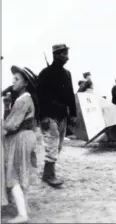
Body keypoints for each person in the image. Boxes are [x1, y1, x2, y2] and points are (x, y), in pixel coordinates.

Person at [2, 65, 39, 223]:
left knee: (14, 175)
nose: (13, 81)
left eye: (17, 79)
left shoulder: (23, 100)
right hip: (27, 137)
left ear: (25, 83)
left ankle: (22, 214)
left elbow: (10, 125)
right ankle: (25, 207)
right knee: (23, 171)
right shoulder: (26, 99)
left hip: (20, 138)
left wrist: (6, 112)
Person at [37, 44, 76, 187]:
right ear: (57, 55)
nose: (67, 57)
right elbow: (39, 97)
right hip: (49, 116)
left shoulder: (67, 74)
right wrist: (43, 117)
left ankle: (48, 173)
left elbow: (70, 95)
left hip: (62, 116)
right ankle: (49, 175)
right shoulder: (45, 73)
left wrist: (73, 114)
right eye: (64, 54)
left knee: (58, 146)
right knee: (51, 145)